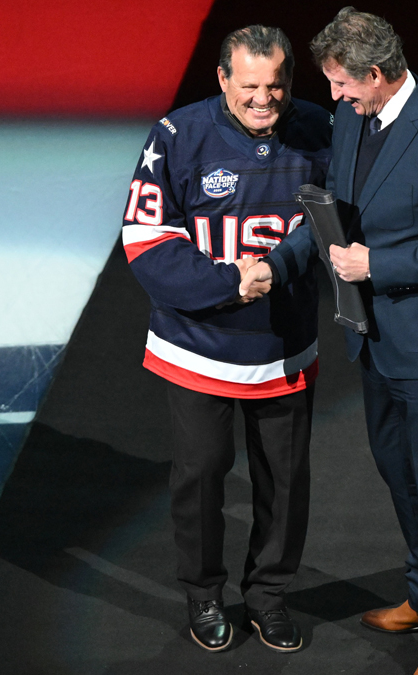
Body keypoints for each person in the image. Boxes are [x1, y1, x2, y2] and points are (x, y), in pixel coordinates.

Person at [242, 8, 418, 674]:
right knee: (399, 474)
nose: (335, 99)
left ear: (377, 73)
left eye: (343, 85)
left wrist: (377, 264)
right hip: (376, 339)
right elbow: (331, 215)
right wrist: (278, 263)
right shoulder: (355, 120)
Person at [120, 24, 332, 654]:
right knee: (201, 475)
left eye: (275, 86)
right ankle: (204, 595)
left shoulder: (320, 131)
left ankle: (268, 596)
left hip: (283, 347)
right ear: (221, 79)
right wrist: (230, 284)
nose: (264, 100)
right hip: (196, 345)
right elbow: (145, 241)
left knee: (286, 481)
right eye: (249, 87)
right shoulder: (177, 136)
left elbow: (335, 219)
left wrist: (278, 268)